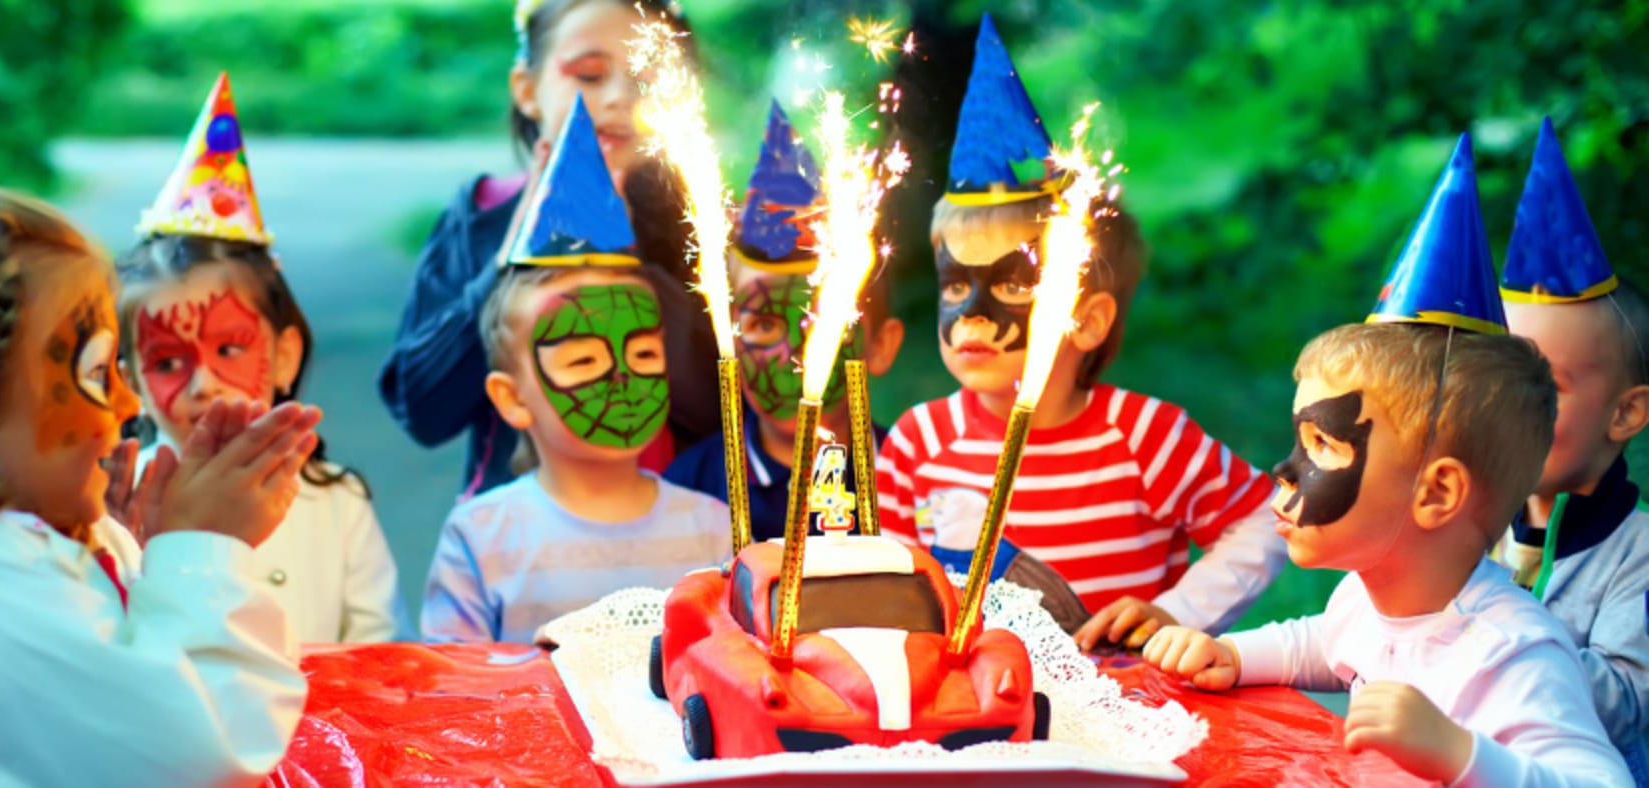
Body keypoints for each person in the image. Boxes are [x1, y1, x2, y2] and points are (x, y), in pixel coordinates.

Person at [0, 58, 315, 784]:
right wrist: (204, 549)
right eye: (97, 375)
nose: (129, 406)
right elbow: (203, 755)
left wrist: (142, 551)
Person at [1146, 134, 1632, 786]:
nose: (1284, 472)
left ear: (1436, 494)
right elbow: (1322, 641)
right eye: (1298, 442)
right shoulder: (1367, 598)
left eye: (1323, 445)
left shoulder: (1511, 655)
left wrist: (1461, 754)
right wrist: (1232, 653)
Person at [875, 15, 1285, 646]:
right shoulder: (916, 442)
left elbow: (1263, 518)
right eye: (955, 284)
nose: (972, 315)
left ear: (1087, 320)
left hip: (1129, 708)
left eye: (1013, 284)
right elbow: (893, 582)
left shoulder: (1148, 438)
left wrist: (1180, 613)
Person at [420, 99, 732, 644]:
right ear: (511, 398)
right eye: (583, 360)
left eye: (644, 357)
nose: (621, 379)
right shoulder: (481, 537)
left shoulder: (714, 528)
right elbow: (452, 692)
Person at [379, 0, 718, 499]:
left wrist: (635, 271)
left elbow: (720, 407)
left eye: (649, 80)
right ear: (527, 90)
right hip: (519, 549)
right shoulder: (479, 216)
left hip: (681, 536)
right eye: (589, 75)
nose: (621, 98)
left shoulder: (701, 225)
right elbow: (423, 411)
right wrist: (506, 266)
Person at [112, 74, 407, 644]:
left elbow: (381, 647)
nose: (204, 383)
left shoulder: (337, 501)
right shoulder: (121, 506)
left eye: (229, 349)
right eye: (168, 362)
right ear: (130, 381)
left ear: (284, 356)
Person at [664, 101, 905, 542]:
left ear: (881, 345)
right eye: (764, 325)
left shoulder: (909, 476)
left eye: (822, 323)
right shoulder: (689, 490)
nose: (796, 353)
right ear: (730, 341)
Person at [1495, 118, 1649, 783]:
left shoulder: (1638, 556)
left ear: (1626, 412)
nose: (1504, 408)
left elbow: (1624, 706)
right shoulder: (1469, 527)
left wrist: (1486, 623)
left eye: (1543, 386)